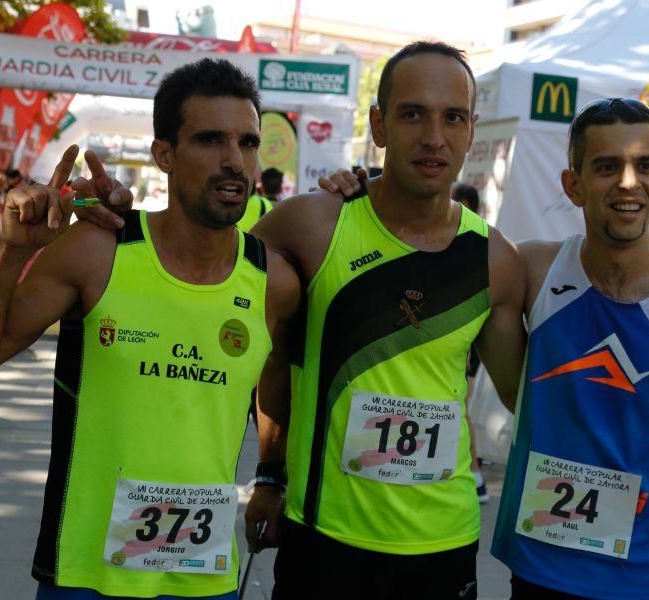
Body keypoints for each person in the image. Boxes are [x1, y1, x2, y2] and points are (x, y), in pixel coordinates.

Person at [0, 57, 300, 600]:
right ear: (164, 155)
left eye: (247, 143)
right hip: (87, 578)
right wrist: (10, 252)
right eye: (209, 140)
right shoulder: (98, 251)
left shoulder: (273, 280)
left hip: (205, 578)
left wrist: (270, 477)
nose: (234, 161)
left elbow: (275, 373)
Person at [245, 41, 526, 599]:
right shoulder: (309, 226)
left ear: (472, 130)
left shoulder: (496, 260)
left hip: (442, 544)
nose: (434, 137)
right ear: (379, 124)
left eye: (453, 118)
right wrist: (270, 475)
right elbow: (259, 347)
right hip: (323, 537)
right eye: (413, 113)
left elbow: (530, 399)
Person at [490, 97, 649, 599]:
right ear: (573, 184)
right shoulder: (532, 270)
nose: (629, 183)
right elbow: (436, 234)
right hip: (540, 565)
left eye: (645, 165)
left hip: (645, 576)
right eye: (608, 167)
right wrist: (354, 192)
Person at [450, 182, 490, 502]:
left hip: (467, 350)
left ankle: (475, 473)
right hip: (460, 349)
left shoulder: (480, 244)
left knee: (459, 411)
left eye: (456, 202)